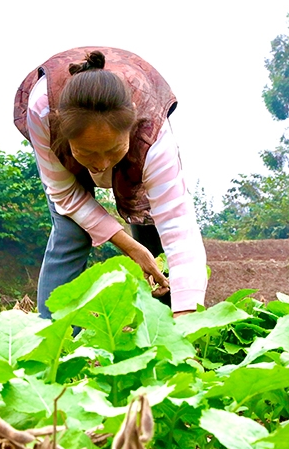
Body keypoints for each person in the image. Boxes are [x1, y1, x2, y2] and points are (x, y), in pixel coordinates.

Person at [13, 47, 207, 318]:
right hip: (60, 141)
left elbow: (177, 224)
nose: (101, 164)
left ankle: (163, 335)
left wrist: (187, 318)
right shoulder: (43, 112)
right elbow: (64, 195)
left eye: (113, 150)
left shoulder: (152, 136)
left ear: (132, 124)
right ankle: (57, 343)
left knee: (155, 235)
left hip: (139, 138)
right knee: (71, 233)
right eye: (88, 152)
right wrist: (128, 245)